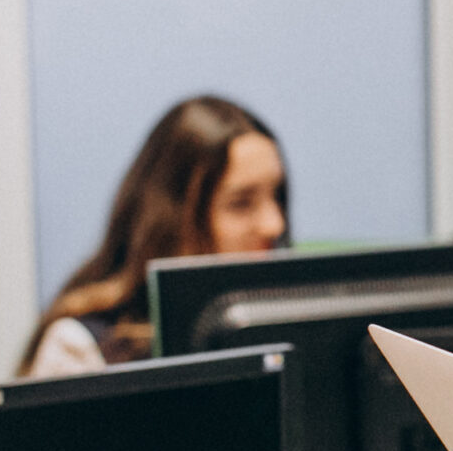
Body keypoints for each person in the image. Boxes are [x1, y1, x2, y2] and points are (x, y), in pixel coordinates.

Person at [18, 95, 289, 378]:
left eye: (278, 196)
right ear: (174, 219)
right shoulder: (82, 347)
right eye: (241, 203)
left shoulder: (293, 326)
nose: (275, 225)